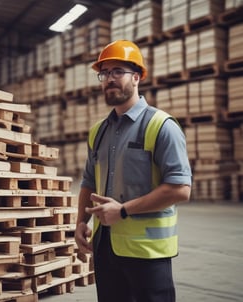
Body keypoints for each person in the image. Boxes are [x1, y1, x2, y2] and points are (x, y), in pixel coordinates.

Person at [74, 40, 192, 302]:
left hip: (147, 254)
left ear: (136, 77)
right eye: (104, 74)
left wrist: (123, 210)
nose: (109, 79)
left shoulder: (162, 126)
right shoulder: (98, 131)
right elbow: (89, 181)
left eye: (117, 72)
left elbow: (180, 189)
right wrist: (81, 221)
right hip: (105, 248)